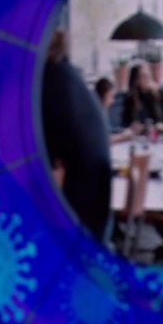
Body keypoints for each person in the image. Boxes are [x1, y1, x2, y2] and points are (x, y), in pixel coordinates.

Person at [42, 28, 112, 241]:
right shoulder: (70, 79)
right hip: (98, 219)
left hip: (77, 226)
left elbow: (44, 161)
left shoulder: (49, 84)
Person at [121, 63, 163, 131]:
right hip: (139, 134)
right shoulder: (130, 98)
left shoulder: (160, 95)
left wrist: (156, 98)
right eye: (144, 76)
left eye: (149, 76)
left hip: (159, 132)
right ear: (136, 80)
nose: (147, 80)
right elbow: (126, 122)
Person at [94, 77, 138, 143]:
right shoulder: (96, 114)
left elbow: (108, 129)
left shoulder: (103, 110)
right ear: (103, 95)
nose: (113, 101)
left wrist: (123, 130)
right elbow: (104, 139)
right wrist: (123, 136)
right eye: (111, 96)